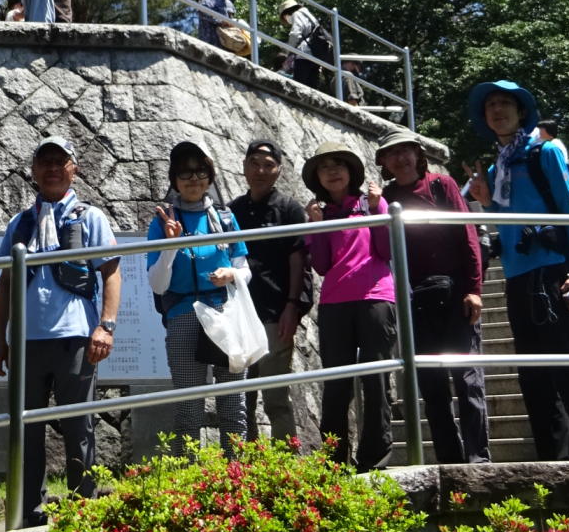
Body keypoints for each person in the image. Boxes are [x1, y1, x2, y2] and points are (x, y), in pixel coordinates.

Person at [465, 79, 569, 461]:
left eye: (505, 103)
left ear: (521, 111)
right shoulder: (497, 168)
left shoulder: (544, 152)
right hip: (518, 279)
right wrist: (487, 203)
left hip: (555, 271)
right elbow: (507, 225)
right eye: (490, 105)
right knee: (533, 377)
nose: (497, 110)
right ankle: (550, 466)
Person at [0, 138, 121, 527]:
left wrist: (106, 326)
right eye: (43, 162)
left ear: (73, 168)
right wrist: (0, 340)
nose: (51, 169)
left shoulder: (90, 217)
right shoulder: (20, 222)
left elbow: (111, 272)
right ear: (32, 170)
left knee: (79, 426)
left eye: (59, 162)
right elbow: (5, 283)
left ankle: (83, 513)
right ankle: (29, 512)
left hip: (75, 337)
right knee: (25, 429)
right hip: (28, 341)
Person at [376, 130, 488, 464]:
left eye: (406, 150)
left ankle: (478, 461)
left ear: (418, 154)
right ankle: (450, 462)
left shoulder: (442, 185)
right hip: (415, 300)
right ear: (383, 162)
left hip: (455, 293)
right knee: (432, 386)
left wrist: (474, 290)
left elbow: (466, 235)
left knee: (468, 381)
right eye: (392, 153)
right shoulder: (387, 196)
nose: (400, 158)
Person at [147, 141, 250, 451]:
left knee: (234, 405)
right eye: (185, 172)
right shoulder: (162, 222)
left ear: (210, 175)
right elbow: (158, 284)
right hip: (182, 314)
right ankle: (188, 485)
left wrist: (231, 275)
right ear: (174, 179)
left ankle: (236, 479)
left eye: (200, 171)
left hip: (224, 312)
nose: (193, 179)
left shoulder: (226, 218)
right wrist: (171, 245)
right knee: (188, 408)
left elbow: (244, 269)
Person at [301, 141, 395, 471]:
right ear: (317, 177)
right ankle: (334, 462)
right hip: (335, 303)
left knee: (376, 380)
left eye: (338, 164)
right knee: (337, 384)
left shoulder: (371, 204)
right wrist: (315, 226)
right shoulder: (320, 212)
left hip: (376, 297)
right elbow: (323, 265)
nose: (332, 171)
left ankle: (375, 459)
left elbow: (386, 250)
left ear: (351, 171)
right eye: (324, 167)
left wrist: (378, 208)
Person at [230, 138, 312, 443]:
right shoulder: (233, 210)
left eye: (268, 165)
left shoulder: (289, 209)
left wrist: (294, 305)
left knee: (276, 396)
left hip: (276, 313)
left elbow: (299, 260)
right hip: (240, 313)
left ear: (278, 170)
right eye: (255, 163)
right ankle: (246, 467)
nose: (260, 170)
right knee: (241, 399)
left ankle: (284, 467)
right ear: (244, 166)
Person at [279, 0, 331, 88]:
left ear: (286, 14)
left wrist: (287, 51)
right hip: (316, 55)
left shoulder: (297, 14)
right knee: (312, 86)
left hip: (304, 54)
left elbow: (295, 34)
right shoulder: (309, 15)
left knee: (299, 85)